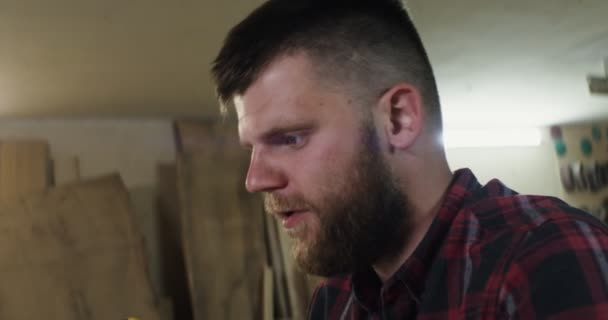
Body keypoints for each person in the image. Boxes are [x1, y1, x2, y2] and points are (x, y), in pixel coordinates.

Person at [211, 0, 608, 318]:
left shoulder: (544, 260)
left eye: (290, 138)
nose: (255, 179)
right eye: (253, 148)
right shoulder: (335, 301)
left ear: (398, 119)